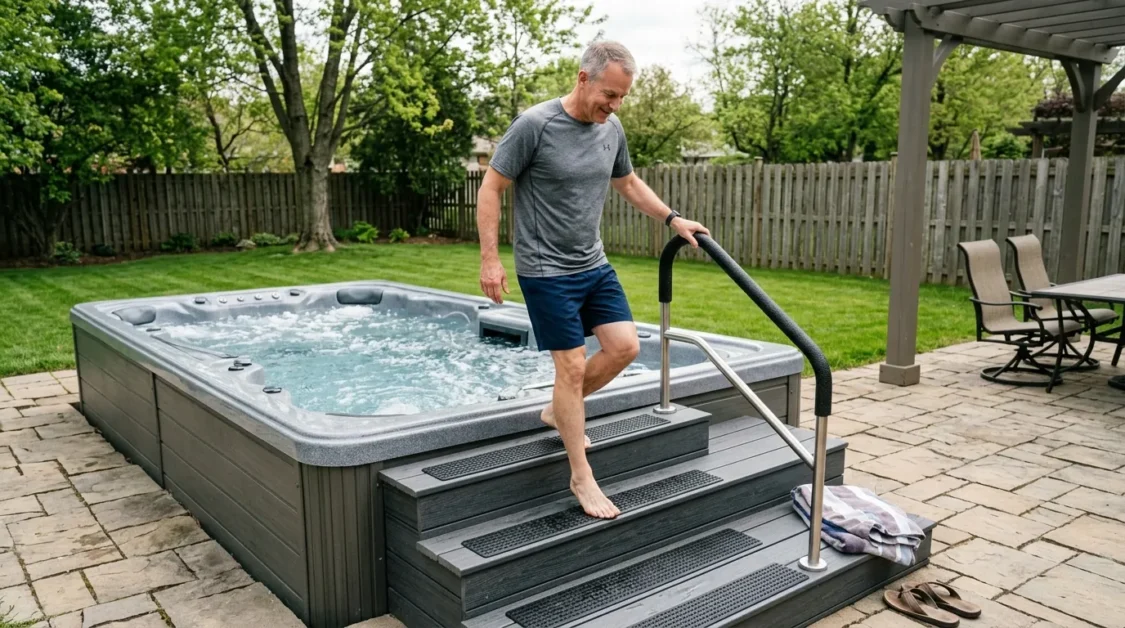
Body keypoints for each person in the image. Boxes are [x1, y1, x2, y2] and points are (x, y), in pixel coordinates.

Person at [475, 40, 710, 519]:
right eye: (609, 94)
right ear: (583, 78)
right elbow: (492, 188)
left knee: (625, 347)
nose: (615, 105)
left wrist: (673, 219)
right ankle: (581, 474)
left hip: (592, 263)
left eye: (622, 97)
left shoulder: (612, 128)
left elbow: (627, 182)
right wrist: (490, 260)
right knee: (573, 368)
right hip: (545, 269)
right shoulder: (535, 125)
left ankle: (559, 411)